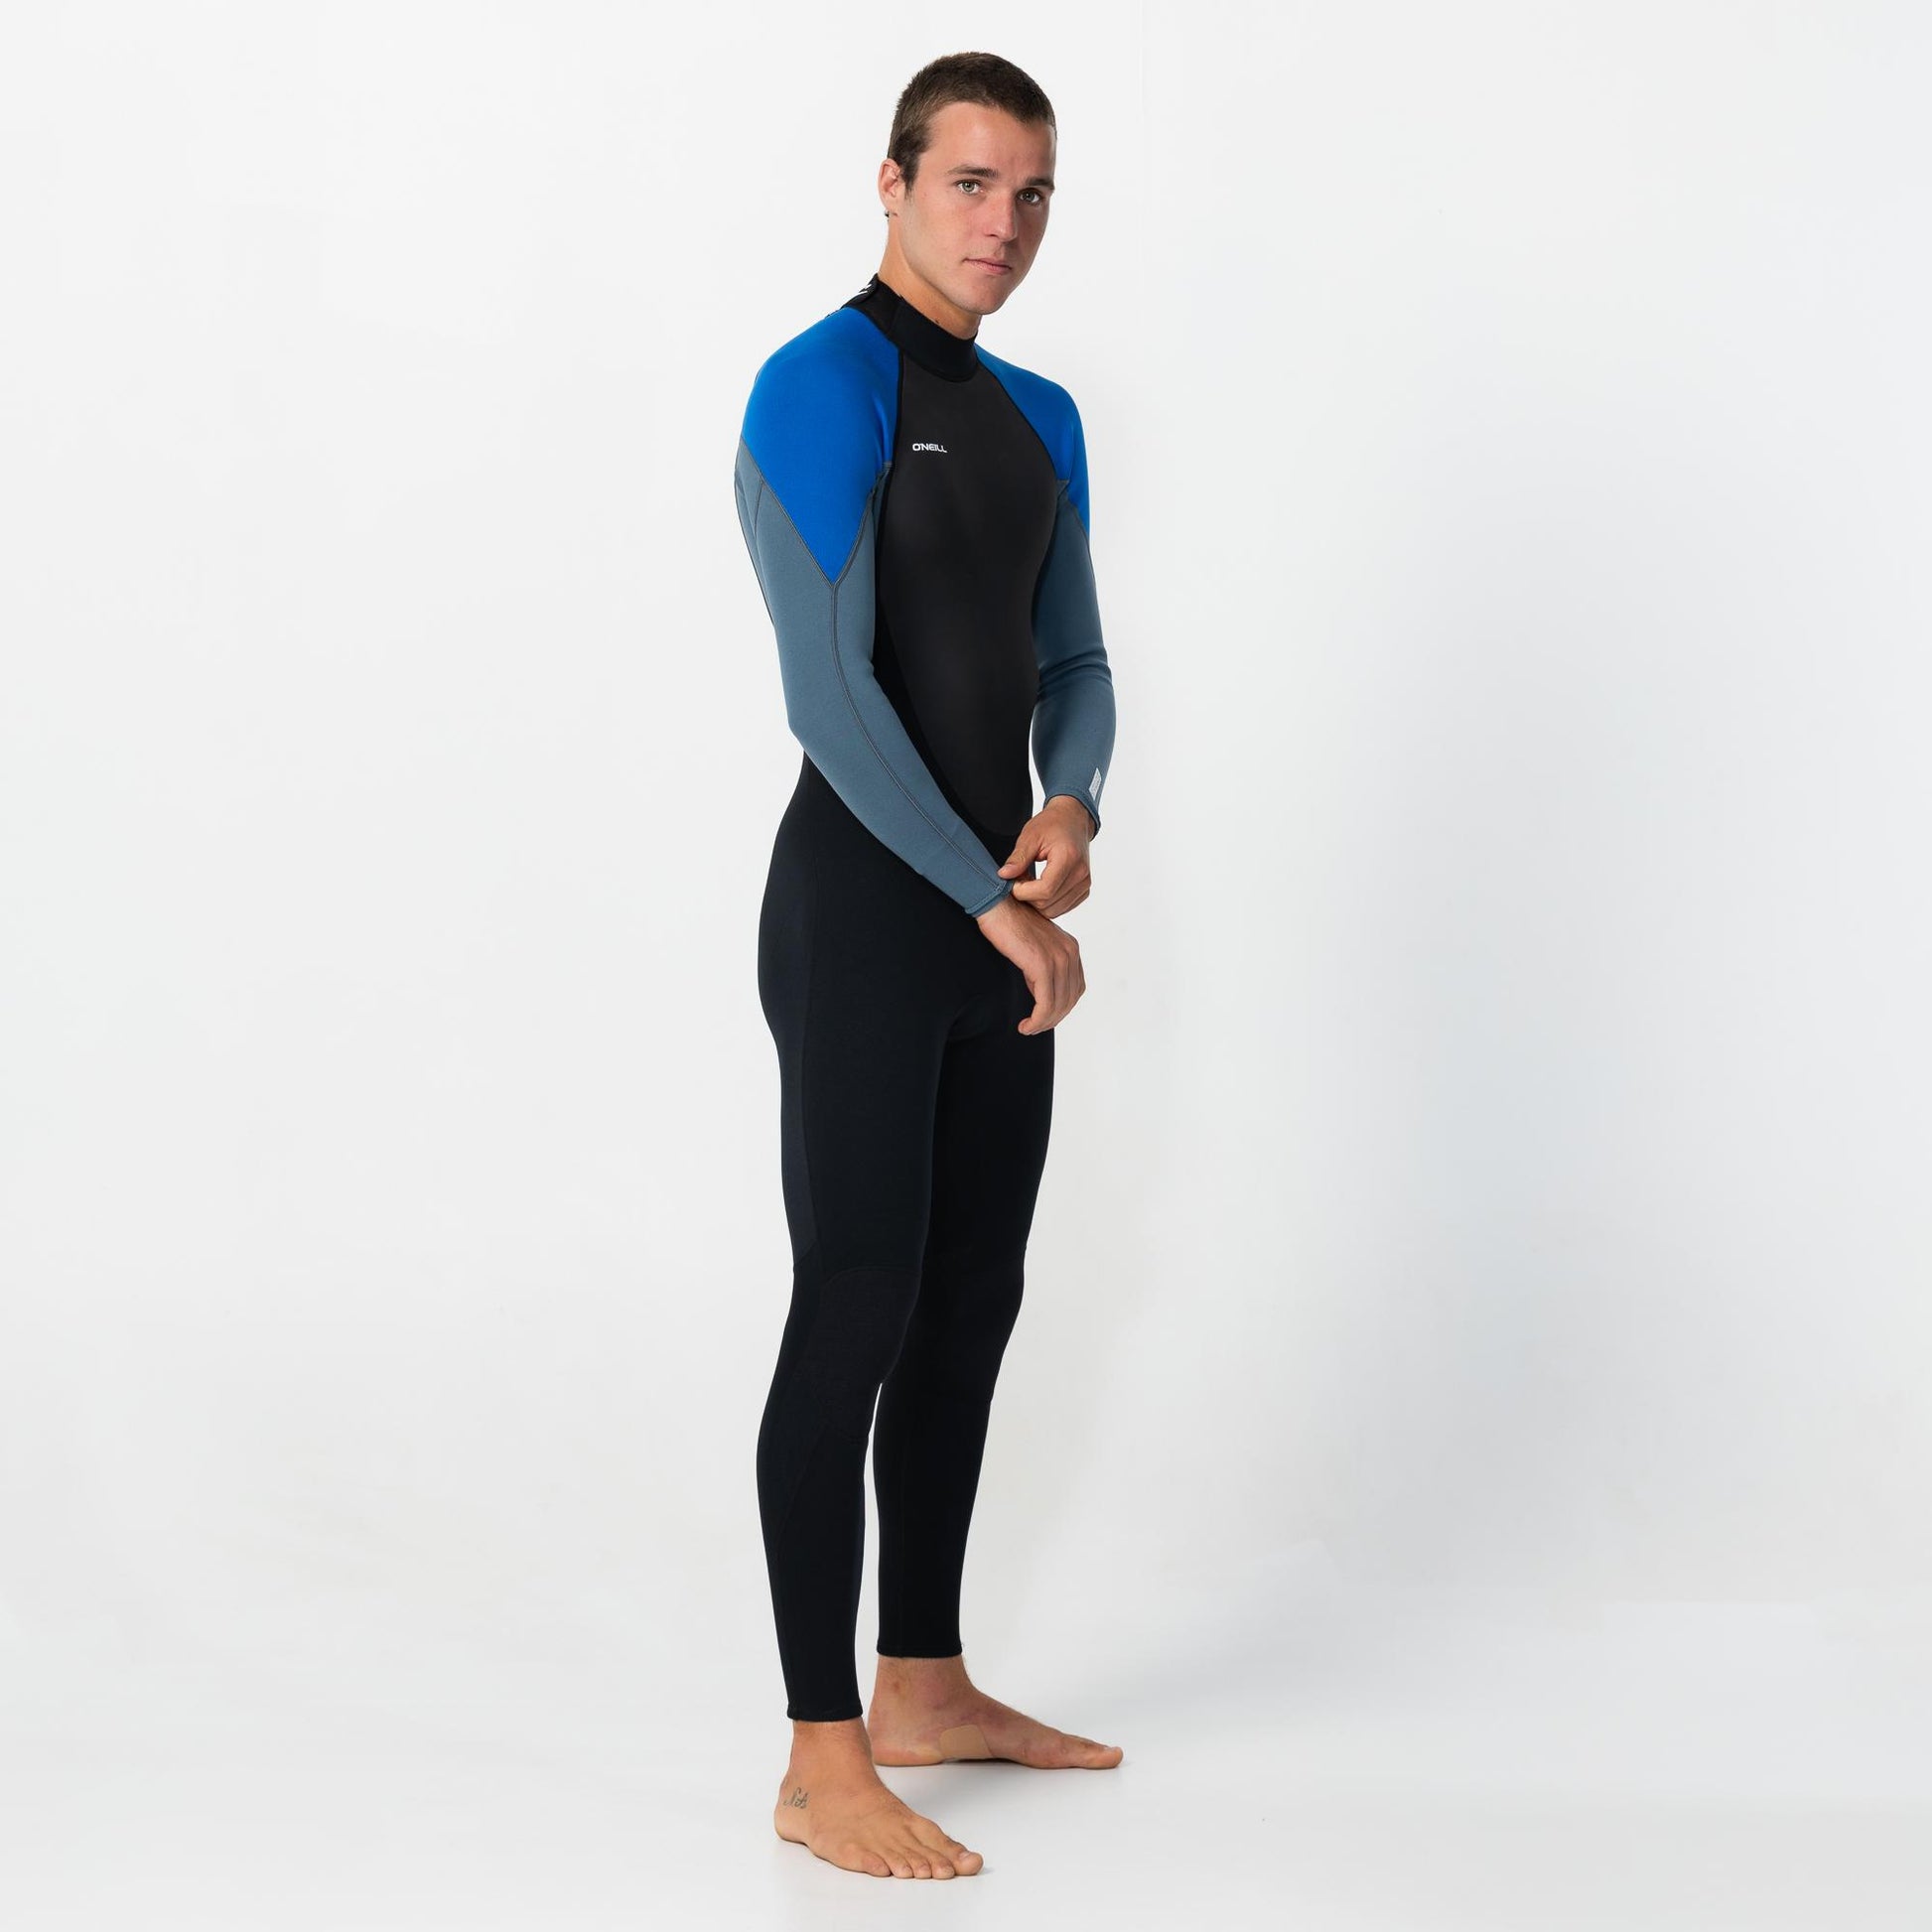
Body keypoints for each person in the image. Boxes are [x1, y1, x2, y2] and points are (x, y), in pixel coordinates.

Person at [732, 51, 1122, 1881]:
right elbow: (830, 693)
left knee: (970, 1303)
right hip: (869, 922)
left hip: (989, 926)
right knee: (855, 1303)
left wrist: (1074, 802)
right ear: (890, 184)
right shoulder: (816, 386)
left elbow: (1076, 662)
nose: (1003, 223)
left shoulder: (1041, 412)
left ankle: (925, 1683)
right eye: (971, 182)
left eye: (1031, 192)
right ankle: (821, 1756)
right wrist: (988, 899)